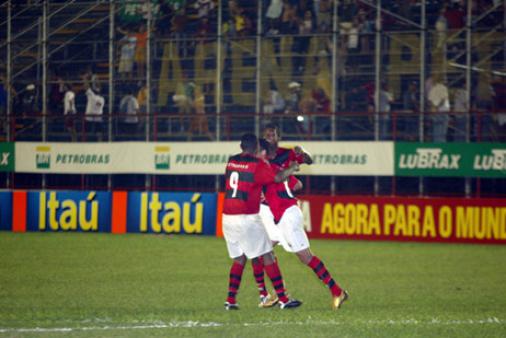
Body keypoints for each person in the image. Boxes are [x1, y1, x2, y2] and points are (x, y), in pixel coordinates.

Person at [257, 138, 349, 310]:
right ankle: (280, 293)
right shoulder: (273, 167)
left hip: (287, 216)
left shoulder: (265, 168)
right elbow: (297, 184)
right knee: (263, 251)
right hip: (280, 216)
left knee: (306, 257)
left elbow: (275, 180)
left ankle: (337, 291)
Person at [222, 133, 302, 310]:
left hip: (227, 217)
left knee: (240, 258)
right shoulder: (257, 165)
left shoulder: (231, 161)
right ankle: (283, 299)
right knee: (268, 256)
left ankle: (231, 300)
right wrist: (292, 168)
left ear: (241, 146)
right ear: (256, 147)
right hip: (247, 217)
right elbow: (276, 178)